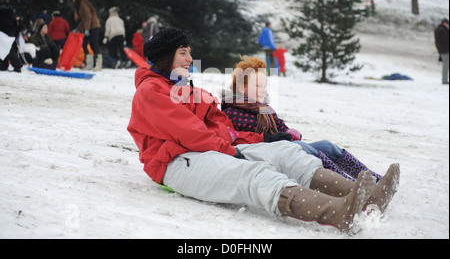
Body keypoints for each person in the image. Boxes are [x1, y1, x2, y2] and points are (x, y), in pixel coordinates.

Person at [127, 28, 400, 233]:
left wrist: (262, 140)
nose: (190, 58)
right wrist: (233, 152)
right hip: (174, 162)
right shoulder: (151, 91)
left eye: (189, 52)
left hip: (209, 150)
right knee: (254, 174)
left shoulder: (192, 90)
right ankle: (337, 212)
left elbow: (226, 131)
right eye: (183, 52)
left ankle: (368, 196)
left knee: (285, 152)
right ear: (166, 57)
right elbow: (189, 133)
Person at [221, 56, 386, 183]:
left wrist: (288, 132)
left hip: (284, 147)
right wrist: (273, 139)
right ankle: (347, 183)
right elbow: (238, 141)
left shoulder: (265, 109)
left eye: (265, 85)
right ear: (241, 87)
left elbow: (280, 126)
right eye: (257, 86)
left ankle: (372, 178)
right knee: (302, 148)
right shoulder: (232, 112)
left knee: (326, 146)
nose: (263, 90)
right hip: (266, 154)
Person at [72, 0, 102, 71]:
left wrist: (87, 29)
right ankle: (89, 64)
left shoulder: (82, 3)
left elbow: (88, 16)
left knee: (95, 44)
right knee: (84, 44)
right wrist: (77, 29)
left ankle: (99, 65)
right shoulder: (79, 5)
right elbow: (83, 20)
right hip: (89, 27)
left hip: (94, 26)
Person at [0, 0, 23, 72]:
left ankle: (17, 64)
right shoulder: (8, 10)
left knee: (8, 50)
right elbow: (13, 22)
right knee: (5, 49)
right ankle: (3, 65)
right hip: (10, 32)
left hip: (2, 32)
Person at [434, 19, 449, 84]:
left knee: (446, 64)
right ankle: (444, 80)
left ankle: (444, 79)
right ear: (444, 23)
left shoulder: (439, 29)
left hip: (442, 50)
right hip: (445, 50)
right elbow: (445, 40)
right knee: (446, 65)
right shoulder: (442, 30)